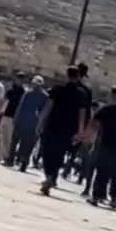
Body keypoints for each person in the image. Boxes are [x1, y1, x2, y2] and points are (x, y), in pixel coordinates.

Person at [36, 66, 88, 195]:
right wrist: (80, 131)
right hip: (68, 129)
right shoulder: (81, 94)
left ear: (67, 75)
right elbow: (82, 113)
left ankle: (49, 176)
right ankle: (52, 177)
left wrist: (40, 122)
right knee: (60, 153)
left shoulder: (57, 89)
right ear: (78, 77)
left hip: (53, 125)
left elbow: (48, 106)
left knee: (48, 151)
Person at [9, 76, 47, 170]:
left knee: (16, 141)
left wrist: (16, 118)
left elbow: (20, 106)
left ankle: (12, 160)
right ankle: (22, 162)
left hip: (24, 122)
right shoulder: (44, 96)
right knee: (27, 145)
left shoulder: (28, 93)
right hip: (33, 124)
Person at [0, 72, 26, 164]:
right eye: (19, 78)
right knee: (1, 136)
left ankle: (5, 156)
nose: (20, 80)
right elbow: (4, 100)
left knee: (8, 138)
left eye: (21, 78)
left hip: (14, 117)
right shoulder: (11, 90)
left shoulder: (23, 92)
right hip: (5, 115)